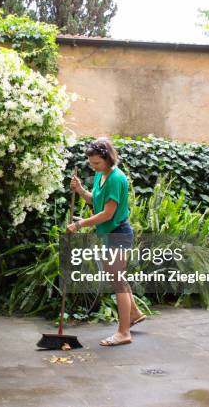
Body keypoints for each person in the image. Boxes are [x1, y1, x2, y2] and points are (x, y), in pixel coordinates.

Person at [66, 137, 146, 346]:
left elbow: (107, 214)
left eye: (97, 163)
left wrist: (80, 224)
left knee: (117, 281)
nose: (93, 167)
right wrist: (81, 190)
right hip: (109, 234)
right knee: (118, 276)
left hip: (118, 233)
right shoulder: (102, 175)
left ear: (108, 158)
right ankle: (135, 313)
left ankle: (123, 332)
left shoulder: (116, 178)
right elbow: (96, 200)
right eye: (91, 164)